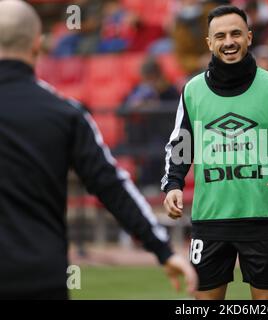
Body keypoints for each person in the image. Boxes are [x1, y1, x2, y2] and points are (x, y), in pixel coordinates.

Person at [0, 0, 197, 299]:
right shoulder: (65, 114)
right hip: (40, 279)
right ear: (38, 45)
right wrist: (163, 250)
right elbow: (111, 184)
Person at [161, 5, 268, 300]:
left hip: (261, 218)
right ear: (209, 43)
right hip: (210, 220)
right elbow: (181, 144)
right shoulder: (193, 91)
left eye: (236, 33)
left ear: (249, 37)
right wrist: (173, 183)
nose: (229, 41)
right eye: (220, 36)